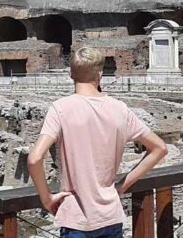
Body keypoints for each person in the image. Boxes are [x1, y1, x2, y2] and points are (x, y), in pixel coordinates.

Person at [27, 47, 168, 238]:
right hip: (111, 216)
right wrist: (122, 185)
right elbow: (160, 148)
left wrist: (46, 199)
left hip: (76, 219)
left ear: (70, 74)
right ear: (100, 75)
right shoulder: (120, 109)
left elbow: (35, 158)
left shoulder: (60, 109)